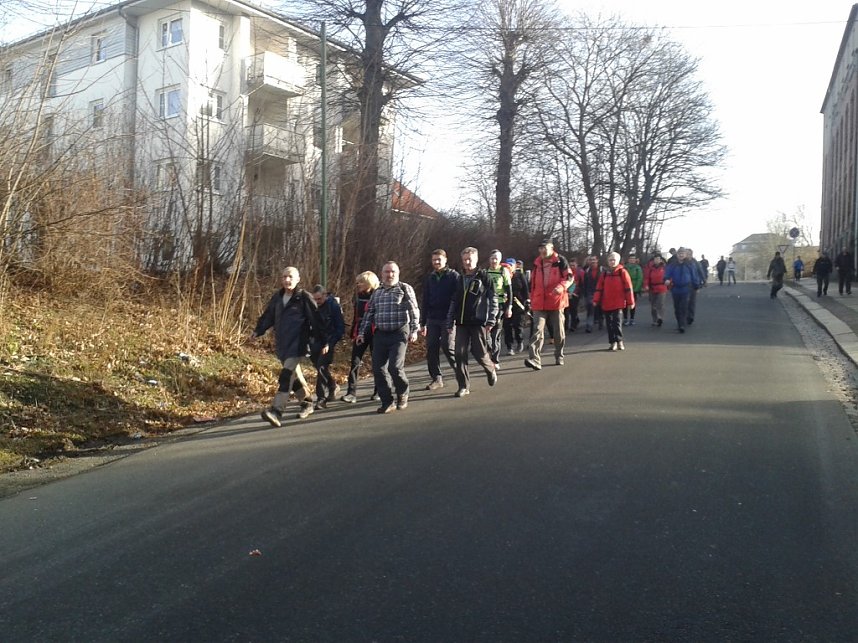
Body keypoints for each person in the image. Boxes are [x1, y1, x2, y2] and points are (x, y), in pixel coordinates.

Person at [252, 266, 327, 426]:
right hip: (282, 344)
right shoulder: (278, 297)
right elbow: (268, 316)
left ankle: (276, 411)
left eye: (291, 277)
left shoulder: (303, 297)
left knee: (286, 375)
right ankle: (307, 402)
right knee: (293, 377)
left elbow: (316, 319)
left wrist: (324, 341)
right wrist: (258, 330)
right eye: (285, 277)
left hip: (298, 343)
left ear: (298, 279)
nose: (287, 280)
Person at [356, 261, 420, 414]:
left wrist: (414, 330)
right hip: (381, 333)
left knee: (395, 367)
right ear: (381, 274)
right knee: (378, 369)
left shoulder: (404, 289)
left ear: (397, 273)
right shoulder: (377, 292)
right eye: (386, 272)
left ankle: (403, 392)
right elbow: (369, 313)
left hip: (399, 332)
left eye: (392, 272)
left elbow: (414, 309)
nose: (389, 275)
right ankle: (387, 401)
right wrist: (361, 333)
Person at [446, 247, 499, 398]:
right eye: (465, 260)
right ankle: (463, 386)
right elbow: (454, 302)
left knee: (480, 353)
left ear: (476, 260)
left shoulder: (484, 277)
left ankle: (490, 369)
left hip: (478, 322)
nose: (467, 262)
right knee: (459, 354)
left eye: (470, 259)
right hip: (461, 322)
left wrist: (491, 319)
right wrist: (450, 321)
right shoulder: (459, 279)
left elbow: (493, 299)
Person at [524, 239, 573, 370]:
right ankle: (534, 359)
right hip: (539, 302)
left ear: (551, 247)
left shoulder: (560, 260)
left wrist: (562, 287)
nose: (542, 251)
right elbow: (533, 283)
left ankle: (559, 354)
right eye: (540, 248)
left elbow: (569, 277)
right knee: (537, 330)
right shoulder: (537, 262)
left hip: (556, 301)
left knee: (558, 331)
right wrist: (530, 299)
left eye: (544, 248)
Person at [420, 249, 459, 391]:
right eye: (434, 260)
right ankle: (436, 378)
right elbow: (425, 300)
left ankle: (460, 372)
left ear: (445, 260)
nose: (436, 262)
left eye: (439, 260)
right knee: (431, 347)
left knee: (448, 346)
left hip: (448, 318)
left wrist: (454, 317)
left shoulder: (454, 276)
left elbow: (458, 298)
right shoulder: (430, 278)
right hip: (432, 318)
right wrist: (423, 322)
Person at [341, 271, 379, 404]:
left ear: (369, 283)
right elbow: (356, 317)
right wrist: (353, 332)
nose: (358, 284)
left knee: (377, 363)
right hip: (360, 332)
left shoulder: (378, 295)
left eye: (361, 282)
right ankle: (351, 393)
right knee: (355, 362)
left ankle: (378, 391)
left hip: (375, 332)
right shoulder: (357, 297)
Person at [310, 284, 345, 409]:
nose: (317, 302)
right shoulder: (313, 306)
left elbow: (340, 328)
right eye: (315, 299)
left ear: (325, 295)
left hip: (330, 339)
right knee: (319, 366)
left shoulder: (333, 306)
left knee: (321, 366)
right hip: (316, 340)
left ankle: (321, 399)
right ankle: (332, 385)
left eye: (319, 299)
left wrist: (329, 344)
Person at [593, 252, 634, 351]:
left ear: (618, 261)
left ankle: (619, 340)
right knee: (609, 324)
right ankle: (612, 342)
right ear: (608, 261)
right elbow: (599, 288)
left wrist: (630, 302)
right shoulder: (604, 274)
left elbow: (628, 288)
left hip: (618, 302)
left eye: (614, 260)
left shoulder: (622, 272)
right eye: (610, 260)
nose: (612, 262)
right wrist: (596, 300)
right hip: (606, 303)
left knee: (617, 323)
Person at [486, 250, 513, 368]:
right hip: (486, 306)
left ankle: (495, 359)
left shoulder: (503, 271)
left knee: (495, 333)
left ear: (500, 260)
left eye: (496, 258)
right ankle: (489, 354)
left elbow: (509, 290)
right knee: (487, 333)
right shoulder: (485, 272)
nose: (494, 261)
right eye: (492, 258)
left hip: (500, 305)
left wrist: (509, 307)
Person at [664, 248, 701, 333]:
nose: (681, 255)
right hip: (675, 288)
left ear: (685, 255)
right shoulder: (673, 265)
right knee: (677, 308)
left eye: (683, 254)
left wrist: (696, 286)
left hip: (686, 288)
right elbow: (667, 274)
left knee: (684, 307)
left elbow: (694, 276)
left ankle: (682, 324)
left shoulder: (690, 264)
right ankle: (679, 322)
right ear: (677, 255)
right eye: (679, 254)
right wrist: (666, 279)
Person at [504, 257, 529, 354]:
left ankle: (520, 341)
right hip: (506, 304)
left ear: (514, 266)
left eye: (511, 265)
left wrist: (527, 301)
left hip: (519, 304)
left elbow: (525, 289)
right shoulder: (504, 275)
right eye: (508, 265)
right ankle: (509, 346)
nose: (509, 267)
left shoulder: (519, 275)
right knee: (507, 326)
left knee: (517, 325)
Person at [643, 253, 667, 327]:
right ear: (653, 260)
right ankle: (655, 319)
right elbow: (646, 278)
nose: (657, 260)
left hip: (662, 287)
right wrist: (646, 285)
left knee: (660, 304)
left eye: (658, 259)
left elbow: (668, 276)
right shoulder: (650, 268)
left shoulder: (664, 267)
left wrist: (669, 284)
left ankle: (660, 318)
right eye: (655, 259)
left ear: (660, 260)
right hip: (652, 288)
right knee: (653, 305)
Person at [581, 255, 602, 333]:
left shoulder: (602, 270)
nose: (593, 261)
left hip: (600, 292)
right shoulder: (587, 271)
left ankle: (600, 321)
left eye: (594, 259)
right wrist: (585, 293)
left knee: (600, 309)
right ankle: (589, 326)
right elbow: (584, 283)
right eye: (591, 260)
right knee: (590, 309)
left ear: (597, 260)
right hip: (590, 292)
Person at [622, 254, 643, 326]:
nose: (632, 260)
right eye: (631, 258)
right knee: (624, 304)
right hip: (625, 288)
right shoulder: (625, 267)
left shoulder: (638, 268)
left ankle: (632, 318)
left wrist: (636, 289)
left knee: (632, 304)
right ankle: (625, 318)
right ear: (628, 259)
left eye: (633, 258)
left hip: (633, 288)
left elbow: (640, 278)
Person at [565, 257, 585, 332]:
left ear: (577, 264)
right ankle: (574, 321)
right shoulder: (568, 272)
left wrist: (578, 293)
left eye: (573, 265)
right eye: (571, 265)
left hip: (576, 293)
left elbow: (582, 284)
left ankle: (573, 324)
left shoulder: (580, 272)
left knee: (573, 309)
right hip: (568, 293)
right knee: (568, 309)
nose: (572, 267)